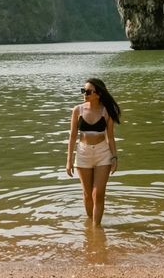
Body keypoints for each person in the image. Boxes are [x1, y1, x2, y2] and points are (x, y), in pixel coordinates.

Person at [66, 77, 121, 226]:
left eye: (88, 91)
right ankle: (91, 222)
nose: (85, 94)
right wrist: (69, 161)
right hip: (83, 154)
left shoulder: (107, 111)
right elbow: (72, 137)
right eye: (83, 90)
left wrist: (114, 157)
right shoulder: (78, 110)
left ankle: (96, 229)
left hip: (103, 153)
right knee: (88, 194)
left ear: (98, 94)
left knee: (98, 194)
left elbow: (110, 137)